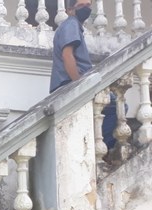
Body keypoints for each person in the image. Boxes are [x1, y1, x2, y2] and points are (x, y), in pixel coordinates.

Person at [50, 0, 117, 148]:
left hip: (66, 82)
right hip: (70, 82)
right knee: (117, 106)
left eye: (88, 5)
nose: (86, 8)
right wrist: (79, 85)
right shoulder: (71, 24)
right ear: (70, 10)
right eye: (81, 5)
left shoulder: (72, 26)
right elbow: (68, 55)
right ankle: (100, 144)